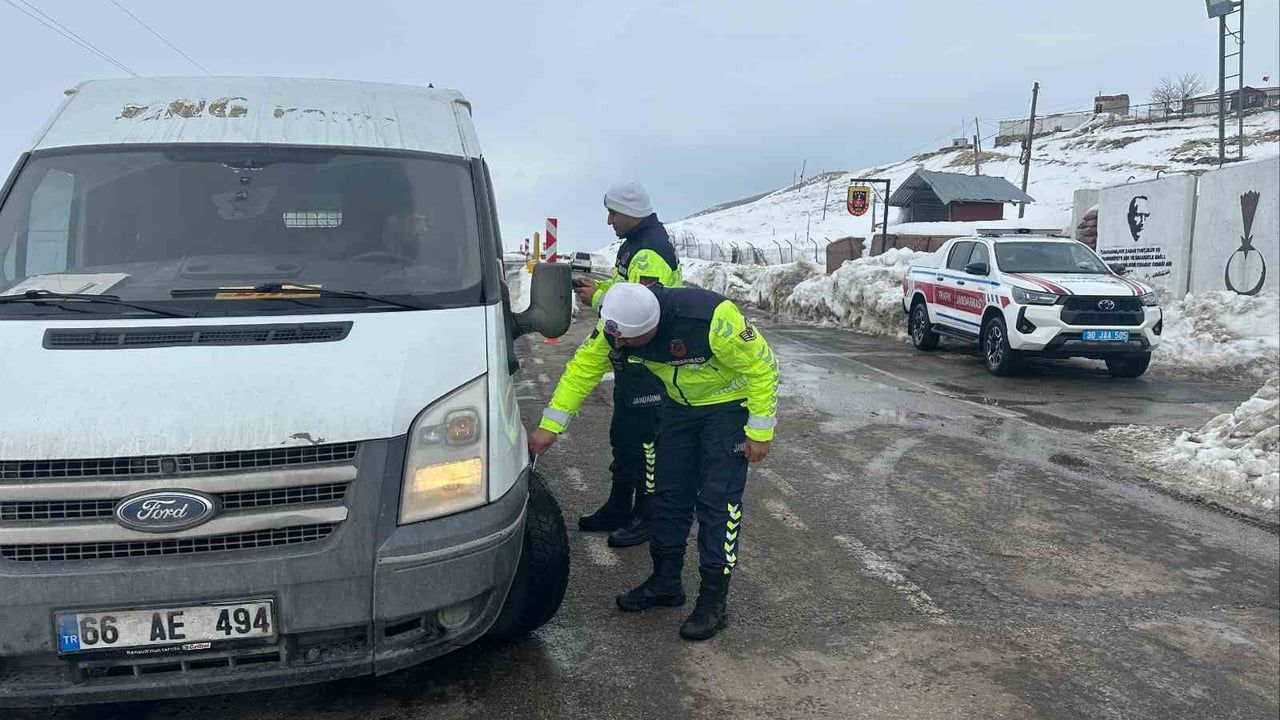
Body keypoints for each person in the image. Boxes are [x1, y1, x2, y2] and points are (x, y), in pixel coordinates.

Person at [530, 283, 780, 641]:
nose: (621, 348)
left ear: (652, 328)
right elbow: (583, 369)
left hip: (729, 409)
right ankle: (665, 582)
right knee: (668, 494)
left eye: (630, 342)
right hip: (679, 407)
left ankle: (713, 601)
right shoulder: (618, 328)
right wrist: (550, 426)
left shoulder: (710, 319)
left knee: (717, 503)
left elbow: (763, 367)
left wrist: (759, 430)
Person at [569, 182, 683, 549]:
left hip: (646, 365)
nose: (608, 221)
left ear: (631, 212)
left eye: (613, 213)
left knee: (647, 446)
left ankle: (647, 516)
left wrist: (598, 299)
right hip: (629, 361)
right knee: (625, 441)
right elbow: (625, 291)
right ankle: (620, 506)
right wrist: (600, 291)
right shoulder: (635, 245)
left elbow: (642, 310)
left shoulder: (649, 252)